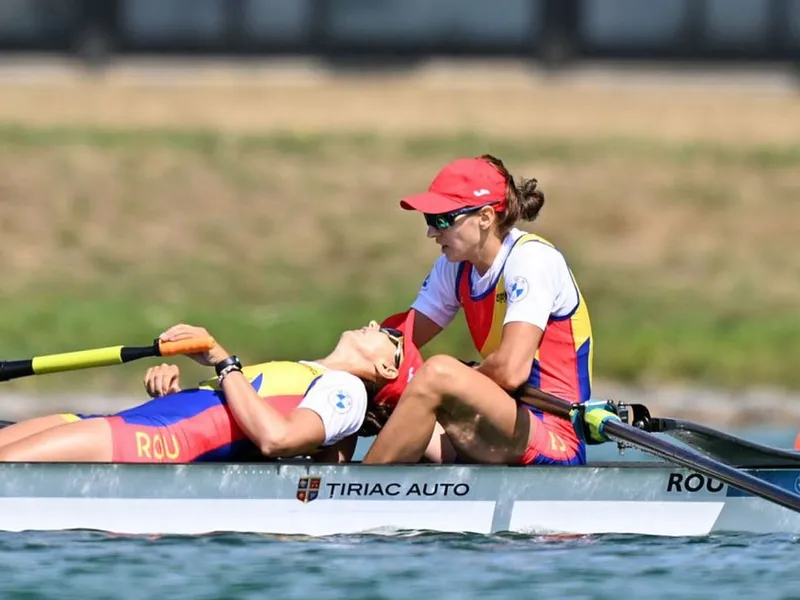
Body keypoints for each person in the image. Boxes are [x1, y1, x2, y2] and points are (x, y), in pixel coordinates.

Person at [365, 154, 608, 467]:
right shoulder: (455, 267)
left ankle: (349, 497)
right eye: (429, 220)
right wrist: (345, 368)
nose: (431, 232)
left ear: (484, 217)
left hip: (554, 438)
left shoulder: (531, 260)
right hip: (499, 428)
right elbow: (397, 343)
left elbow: (510, 371)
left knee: (438, 372)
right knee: (377, 378)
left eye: (441, 220)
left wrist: (452, 383)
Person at [0, 313, 423, 463]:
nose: (374, 323)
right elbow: (232, 416)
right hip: (127, 425)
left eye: (388, 334)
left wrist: (223, 361)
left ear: (387, 369)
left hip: (149, 444)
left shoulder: (343, 391)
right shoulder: (312, 375)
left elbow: (277, 440)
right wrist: (179, 391)